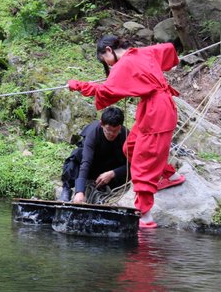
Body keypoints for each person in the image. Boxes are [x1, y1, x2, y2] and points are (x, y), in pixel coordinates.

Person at [68, 35, 185, 229]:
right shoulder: (143, 52)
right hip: (152, 108)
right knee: (130, 147)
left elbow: (106, 91)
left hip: (157, 111)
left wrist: (78, 85)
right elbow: (168, 49)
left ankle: (145, 218)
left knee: (142, 160)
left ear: (108, 50)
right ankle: (169, 176)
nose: (107, 64)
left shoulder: (124, 65)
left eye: (103, 59)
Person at [60, 106, 129, 203]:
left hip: (112, 168)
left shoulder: (126, 135)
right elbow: (86, 162)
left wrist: (113, 173)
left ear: (120, 127)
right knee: (75, 155)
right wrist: (80, 191)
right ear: (102, 124)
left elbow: (133, 164)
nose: (111, 134)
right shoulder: (93, 132)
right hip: (93, 164)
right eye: (108, 130)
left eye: (115, 131)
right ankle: (66, 189)